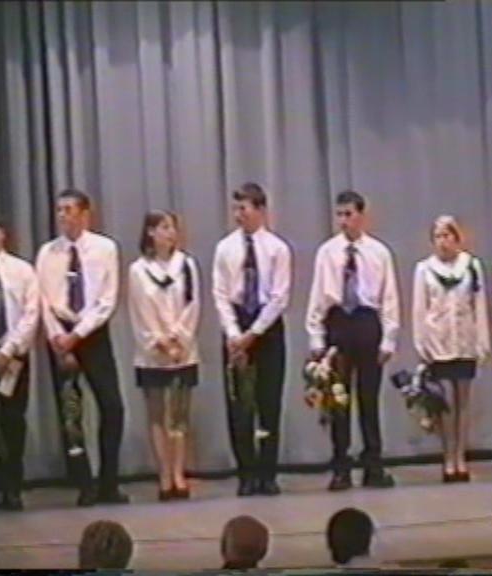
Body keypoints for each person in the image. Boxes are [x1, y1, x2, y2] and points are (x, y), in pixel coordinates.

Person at [35, 189, 128, 507]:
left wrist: (79, 334)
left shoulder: (104, 248)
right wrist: (58, 337)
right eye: (59, 210)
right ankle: (83, 483)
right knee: (71, 412)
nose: (63, 216)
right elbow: (43, 300)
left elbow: (107, 300)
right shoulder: (48, 253)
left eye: (69, 209)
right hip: (60, 335)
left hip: (92, 332)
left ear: (85, 214)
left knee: (112, 407)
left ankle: (109, 482)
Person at [306, 190, 400, 491]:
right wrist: (317, 337)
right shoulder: (328, 252)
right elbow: (318, 296)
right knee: (338, 398)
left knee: (368, 398)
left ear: (362, 215)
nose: (343, 221)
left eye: (349, 214)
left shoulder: (379, 252)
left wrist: (389, 339)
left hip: (366, 321)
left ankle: (373, 465)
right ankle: (341, 466)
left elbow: (389, 298)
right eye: (340, 215)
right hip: (339, 322)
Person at [213, 183, 292, 496]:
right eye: (235, 209)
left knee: (268, 401)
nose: (238, 215)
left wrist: (254, 333)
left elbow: (279, 296)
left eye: (244, 208)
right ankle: (245, 472)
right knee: (239, 405)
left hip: (266, 327)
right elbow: (220, 294)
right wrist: (235, 334)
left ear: (260, 210)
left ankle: (267, 473)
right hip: (237, 324)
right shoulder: (225, 248)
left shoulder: (277, 248)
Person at [128, 211, 201, 501]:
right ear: (150, 232)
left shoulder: (187, 265)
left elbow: (193, 304)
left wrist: (179, 339)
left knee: (179, 416)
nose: (170, 233)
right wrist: (158, 342)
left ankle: (179, 473)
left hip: (182, 351)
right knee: (157, 414)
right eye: (164, 227)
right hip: (153, 354)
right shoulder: (138, 270)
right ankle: (164, 475)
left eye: (173, 227)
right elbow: (139, 312)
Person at [412, 215, 490, 482]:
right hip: (439, 342)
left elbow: (479, 305)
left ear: (457, 238)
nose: (443, 242)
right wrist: (422, 343)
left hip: (465, 340)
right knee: (445, 404)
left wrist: (481, 341)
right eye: (438, 236)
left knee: (463, 402)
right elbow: (420, 309)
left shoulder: (471, 266)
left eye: (447, 235)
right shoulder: (425, 269)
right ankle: (447, 458)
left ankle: (461, 457)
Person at [0, 211, 39, 512]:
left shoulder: (22, 270)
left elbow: (31, 314)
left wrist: (9, 349)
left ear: (3, 233)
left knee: (13, 421)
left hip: (14, 356)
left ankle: (13, 486)